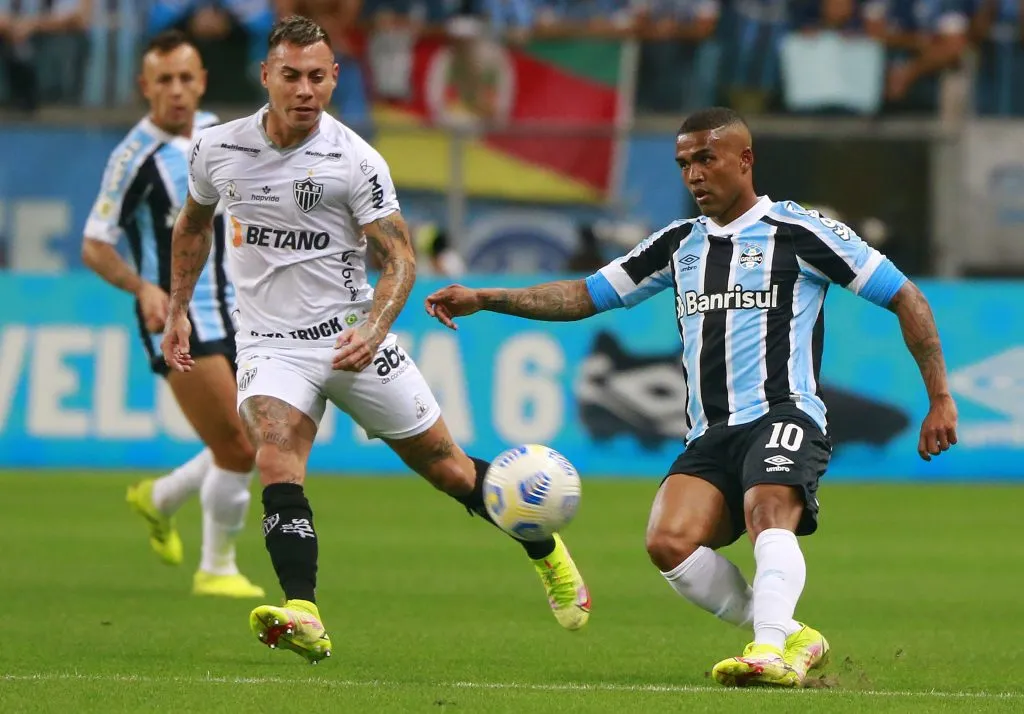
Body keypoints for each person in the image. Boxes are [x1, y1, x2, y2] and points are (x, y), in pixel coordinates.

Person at [425, 106, 959, 687]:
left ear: (745, 160)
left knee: (767, 508)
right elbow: (582, 296)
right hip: (710, 431)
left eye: (706, 158)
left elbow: (905, 296)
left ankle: (770, 650)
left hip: (786, 413)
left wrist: (940, 398)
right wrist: (487, 297)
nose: (694, 174)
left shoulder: (799, 231)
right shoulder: (679, 244)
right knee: (668, 542)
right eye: (684, 164)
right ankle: (791, 636)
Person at [161, 14, 590, 664]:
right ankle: (302, 609)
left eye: (316, 77)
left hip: (352, 339)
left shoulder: (354, 159)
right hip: (271, 343)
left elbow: (401, 260)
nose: (304, 90)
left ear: (334, 78)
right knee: (276, 455)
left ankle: (542, 546)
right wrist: (177, 309)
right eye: (290, 76)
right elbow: (192, 225)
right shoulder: (218, 149)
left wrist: (375, 327)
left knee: (448, 470)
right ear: (266, 76)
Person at [82, 30, 264, 600]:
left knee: (257, 436)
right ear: (145, 87)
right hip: (178, 318)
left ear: (203, 81)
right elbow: (95, 243)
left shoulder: (217, 133)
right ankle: (217, 567)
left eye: (186, 78)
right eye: (164, 81)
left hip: (240, 311)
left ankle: (159, 499)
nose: (177, 91)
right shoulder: (132, 158)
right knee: (238, 447)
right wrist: (141, 287)